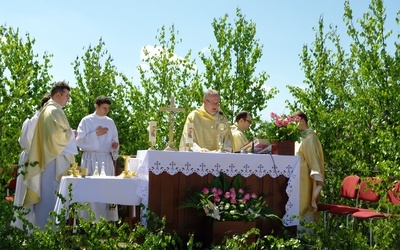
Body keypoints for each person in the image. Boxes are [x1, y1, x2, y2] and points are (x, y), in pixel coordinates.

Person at [23, 81, 78, 230]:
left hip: (49, 160)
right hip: (52, 161)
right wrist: (72, 134)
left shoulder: (50, 109)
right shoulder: (53, 110)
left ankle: (44, 232)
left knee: (49, 196)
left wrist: (68, 134)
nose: (68, 99)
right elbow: (57, 137)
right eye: (67, 95)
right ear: (58, 94)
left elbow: (55, 134)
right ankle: (48, 233)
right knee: (51, 197)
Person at [76, 95, 119, 221]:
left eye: (108, 108)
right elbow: (79, 141)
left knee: (106, 190)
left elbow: (114, 140)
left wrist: (114, 146)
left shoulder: (110, 122)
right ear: (96, 106)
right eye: (104, 108)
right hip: (90, 159)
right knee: (89, 190)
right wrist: (95, 134)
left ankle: (106, 220)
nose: (106, 111)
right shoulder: (86, 121)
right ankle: (87, 221)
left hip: (105, 159)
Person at [12, 93, 51, 229]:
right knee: (27, 192)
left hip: (40, 161)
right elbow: (25, 142)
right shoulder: (33, 121)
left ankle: (37, 227)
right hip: (31, 160)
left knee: (40, 194)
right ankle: (24, 227)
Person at [294, 111, 324, 226]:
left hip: (305, 181)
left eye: (294, 122)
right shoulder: (299, 137)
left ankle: (306, 238)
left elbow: (314, 161)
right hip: (297, 180)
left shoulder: (310, 138)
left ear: (302, 121)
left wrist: (318, 180)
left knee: (304, 208)